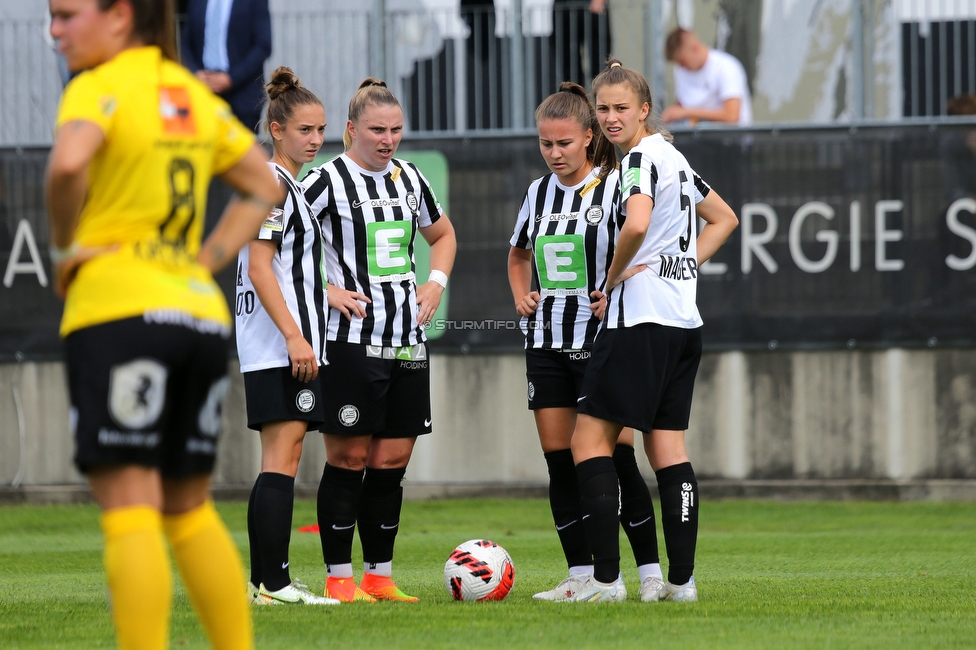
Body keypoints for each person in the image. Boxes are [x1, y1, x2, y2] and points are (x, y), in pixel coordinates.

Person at [46, 0, 282, 647]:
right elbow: (264, 185)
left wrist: (65, 251)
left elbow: (67, 166)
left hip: (119, 309)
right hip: (197, 319)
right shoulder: (191, 93)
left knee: (130, 512)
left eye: (66, 15)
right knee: (187, 507)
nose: (54, 31)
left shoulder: (97, 87)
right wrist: (203, 260)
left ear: (119, 16)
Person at [568, 59, 738, 603]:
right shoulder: (676, 158)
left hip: (639, 320)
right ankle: (681, 585)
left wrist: (615, 278)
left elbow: (637, 223)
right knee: (668, 449)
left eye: (622, 108)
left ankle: (607, 582)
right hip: (683, 323)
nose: (612, 118)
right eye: (604, 108)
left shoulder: (640, 159)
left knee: (588, 441)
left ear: (645, 111)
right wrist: (683, 263)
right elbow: (725, 218)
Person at [508, 81, 665, 602]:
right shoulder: (536, 193)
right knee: (559, 462)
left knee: (615, 458)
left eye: (564, 143)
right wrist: (520, 296)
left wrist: (621, 282)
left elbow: (645, 239)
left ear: (589, 137)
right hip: (547, 343)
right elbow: (518, 254)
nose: (554, 154)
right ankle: (581, 576)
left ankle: (647, 574)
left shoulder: (618, 185)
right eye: (545, 144)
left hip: (602, 342)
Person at [302, 78, 457, 603]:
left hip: (408, 343)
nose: (388, 140)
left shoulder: (411, 179)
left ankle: (378, 576)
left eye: (395, 130)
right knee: (347, 460)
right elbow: (278, 245)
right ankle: (338, 578)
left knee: (391, 462)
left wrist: (434, 283)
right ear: (350, 131)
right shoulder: (324, 181)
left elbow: (443, 235)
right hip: (350, 343)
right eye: (376, 130)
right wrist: (326, 290)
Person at [236, 67, 338, 606]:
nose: (316, 140)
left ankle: (268, 582)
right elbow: (259, 266)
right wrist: (297, 337)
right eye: (305, 130)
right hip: (279, 345)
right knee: (282, 455)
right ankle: (271, 585)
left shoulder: (283, 184)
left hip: (276, 340)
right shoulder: (274, 183)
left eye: (320, 129)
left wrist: (328, 294)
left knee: (285, 454)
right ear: (276, 129)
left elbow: (283, 269)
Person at [181, 0, 272, 133]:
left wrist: (231, 78)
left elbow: (263, 45)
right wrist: (196, 73)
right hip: (203, 93)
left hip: (243, 95)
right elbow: (185, 43)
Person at [661, 27, 752, 126]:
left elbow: (732, 116)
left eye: (683, 62)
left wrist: (685, 112)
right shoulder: (680, 70)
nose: (681, 67)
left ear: (695, 49)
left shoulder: (726, 67)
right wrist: (671, 114)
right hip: (696, 137)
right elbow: (683, 102)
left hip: (730, 138)